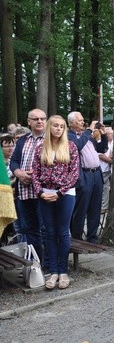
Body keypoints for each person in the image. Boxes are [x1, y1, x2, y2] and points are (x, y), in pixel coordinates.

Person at [32, 115, 79, 290]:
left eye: (61, 126)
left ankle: (63, 271)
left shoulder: (70, 146)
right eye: (55, 126)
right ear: (49, 127)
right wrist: (41, 192)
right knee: (49, 232)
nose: (58, 129)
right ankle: (53, 271)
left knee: (62, 232)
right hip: (45, 194)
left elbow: (74, 174)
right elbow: (35, 174)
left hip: (65, 194)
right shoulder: (40, 148)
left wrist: (59, 193)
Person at [10, 109, 47, 265]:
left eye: (42, 118)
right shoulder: (22, 140)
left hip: (44, 192)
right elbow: (14, 162)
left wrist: (34, 175)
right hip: (24, 192)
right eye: (36, 119)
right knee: (29, 229)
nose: (39, 121)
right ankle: (35, 263)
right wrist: (19, 173)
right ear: (28, 122)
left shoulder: (52, 139)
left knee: (46, 229)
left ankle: (50, 264)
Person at [68, 111, 108, 243]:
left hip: (97, 174)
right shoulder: (70, 136)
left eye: (82, 120)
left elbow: (102, 149)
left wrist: (103, 134)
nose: (82, 122)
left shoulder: (87, 136)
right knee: (81, 209)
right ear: (71, 123)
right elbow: (77, 146)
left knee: (95, 208)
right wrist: (90, 130)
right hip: (84, 175)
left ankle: (92, 238)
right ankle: (77, 239)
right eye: (79, 120)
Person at [99, 127, 114, 213]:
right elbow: (100, 155)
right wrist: (111, 161)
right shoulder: (101, 142)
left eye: (111, 133)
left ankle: (107, 205)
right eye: (109, 134)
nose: (110, 135)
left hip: (110, 169)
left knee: (110, 187)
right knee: (104, 188)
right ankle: (103, 207)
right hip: (103, 168)